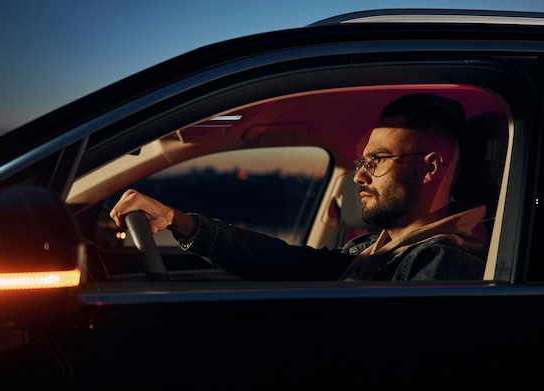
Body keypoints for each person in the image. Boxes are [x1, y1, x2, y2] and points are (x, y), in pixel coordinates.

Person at [110, 93, 489, 281]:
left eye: (377, 160)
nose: (359, 177)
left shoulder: (440, 263)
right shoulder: (372, 249)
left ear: (429, 169)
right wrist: (177, 220)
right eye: (361, 162)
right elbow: (286, 262)